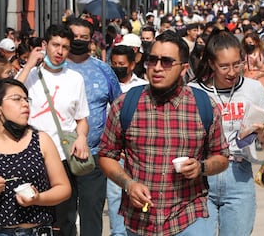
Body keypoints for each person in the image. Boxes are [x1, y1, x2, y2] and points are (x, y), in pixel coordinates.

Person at [98, 30, 229, 236]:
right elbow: (106, 155)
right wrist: (128, 184)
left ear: (184, 68)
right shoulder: (125, 104)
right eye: (152, 60)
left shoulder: (203, 106)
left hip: (189, 217)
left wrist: (201, 167)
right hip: (140, 221)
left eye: (167, 62)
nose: (157, 68)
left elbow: (221, 156)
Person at [192, 29, 264, 236]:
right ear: (211, 64)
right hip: (202, 176)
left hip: (239, 174)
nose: (232, 72)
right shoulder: (194, 91)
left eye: (237, 64)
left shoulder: (253, 89)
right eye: (224, 66)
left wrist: (263, 134)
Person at [16, 24, 91, 236]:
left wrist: (82, 137)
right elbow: (6, 98)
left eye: (65, 47)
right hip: (31, 157)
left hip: (63, 158)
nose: (59, 51)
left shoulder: (75, 79)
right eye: (55, 45)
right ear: (44, 45)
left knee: (65, 219)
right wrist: (30, 64)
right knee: (29, 218)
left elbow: (82, 119)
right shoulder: (29, 75)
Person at [66, 18, 122, 236]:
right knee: (63, 217)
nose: (78, 41)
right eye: (74, 37)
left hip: (94, 156)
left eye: (84, 38)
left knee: (91, 214)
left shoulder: (104, 70)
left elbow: (118, 106)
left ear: (91, 41)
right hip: (58, 156)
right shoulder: (51, 69)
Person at [0, 78, 71, 235]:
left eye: (26, 99)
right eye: (17, 99)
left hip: (37, 230)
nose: (25, 104)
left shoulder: (40, 139)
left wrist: (38, 198)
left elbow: (63, 188)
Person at [107, 45, 148, 236]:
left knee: (137, 194)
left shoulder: (142, 87)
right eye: (114, 64)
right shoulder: (105, 83)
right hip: (115, 153)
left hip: (137, 153)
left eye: (121, 64)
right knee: (115, 196)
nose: (117, 67)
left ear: (132, 64)